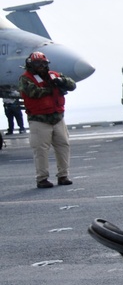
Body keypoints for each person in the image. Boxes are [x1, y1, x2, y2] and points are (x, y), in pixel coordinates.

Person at [17, 51, 77, 188]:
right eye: (38, 64)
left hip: (57, 118)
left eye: (43, 64)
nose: (41, 66)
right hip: (39, 120)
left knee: (63, 146)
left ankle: (63, 175)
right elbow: (33, 92)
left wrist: (62, 81)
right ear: (31, 64)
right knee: (41, 150)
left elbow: (72, 85)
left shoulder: (54, 76)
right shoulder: (25, 79)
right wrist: (52, 87)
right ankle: (42, 178)